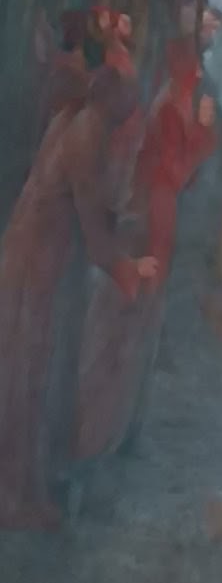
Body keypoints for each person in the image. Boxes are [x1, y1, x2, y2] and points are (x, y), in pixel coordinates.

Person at [0, 68, 156, 527]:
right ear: (114, 101)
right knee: (23, 380)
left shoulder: (81, 121)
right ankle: (14, 499)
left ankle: (27, 488)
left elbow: (94, 206)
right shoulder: (88, 132)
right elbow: (93, 229)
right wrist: (129, 268)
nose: (131, 113)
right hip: (34, 266)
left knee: (30, 376)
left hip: (34, 261)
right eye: (128, 103)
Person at [73, 39, 216, 467]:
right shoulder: (169, 111)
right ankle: (97, 437)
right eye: (194, 68)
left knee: (141, 330)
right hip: (149, 224)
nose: (199, 75)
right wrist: (203, 135)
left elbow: (181, 177)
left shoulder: (175, 106)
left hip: (158, 220)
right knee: (127, 330)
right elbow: (175, 172)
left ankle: (119, 431)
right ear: (183, 71)